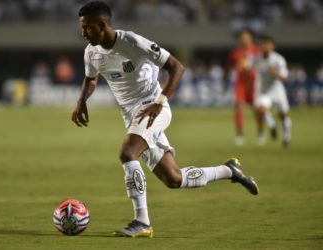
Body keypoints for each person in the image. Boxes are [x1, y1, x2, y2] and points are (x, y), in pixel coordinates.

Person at [72, 1, 259, 238]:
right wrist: (81, 101)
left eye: (87, 27)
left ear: (102, 24)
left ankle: (142, 222)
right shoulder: (91, 52)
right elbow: (91, 79)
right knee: (174, 178)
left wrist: (158, 102)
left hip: (155, 109)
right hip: (133, 117)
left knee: (127, 153)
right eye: (82, 27)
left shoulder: (132, 42)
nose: (83, 32)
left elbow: (177, 67)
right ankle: (229, 171)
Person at [254, 35, 292, 147]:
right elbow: (248, 65)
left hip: (277, 90)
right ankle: (272, 125)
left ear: (272, 46)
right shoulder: (257, 58)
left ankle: (286, 136)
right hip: (264, 91)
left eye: (267, 44)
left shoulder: (278, 59)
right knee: (261, 109)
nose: (264, 47)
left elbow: (285, 78)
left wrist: (274, 73)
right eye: (263, 44)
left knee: (283, 115)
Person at [226, 28, 261, 146]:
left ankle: (260, 132)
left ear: (251, 38)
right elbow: (230, 65)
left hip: (254, 83)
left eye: (247, 37)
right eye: (242, 38)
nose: (244, 39)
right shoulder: (236, 52)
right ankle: (240, 134)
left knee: (258, 109)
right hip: (240, 84)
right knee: (239, 107)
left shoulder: (257, 51)